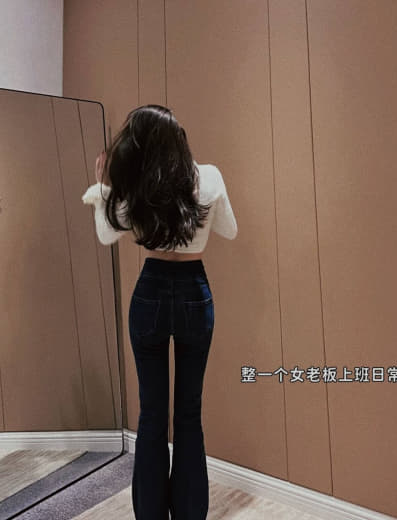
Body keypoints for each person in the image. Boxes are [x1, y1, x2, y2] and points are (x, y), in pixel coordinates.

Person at [81, 104, 238, 520]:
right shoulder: (209, 176)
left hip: (150, 292)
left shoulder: (137, 185)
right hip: (194, 292)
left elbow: (106, 236)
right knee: (189, 414)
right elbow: (230, 229)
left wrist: (103, 188)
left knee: (151, 416)